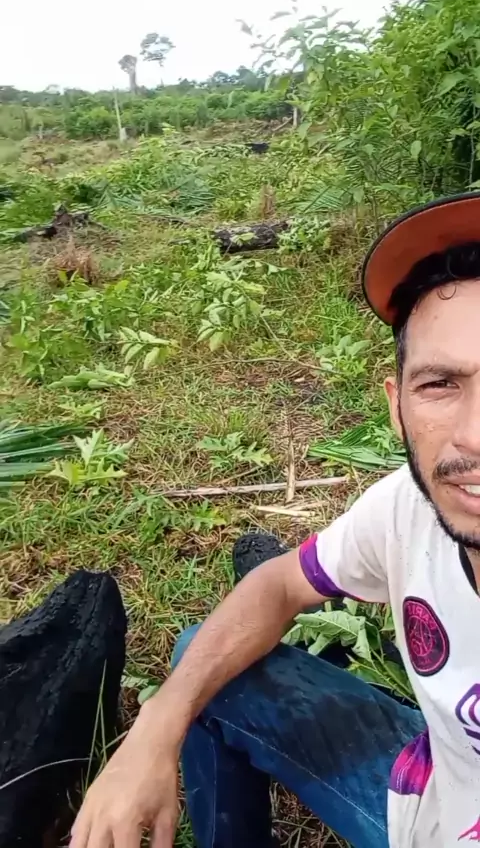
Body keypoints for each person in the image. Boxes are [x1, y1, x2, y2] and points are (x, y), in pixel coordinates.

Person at [71, 192, 480, 848]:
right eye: (440, 384)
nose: (474, 435)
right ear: (397, 406)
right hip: (429, 805)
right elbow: (280, 583)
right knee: (204, 662)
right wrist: (153, 729)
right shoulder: (406, 508)